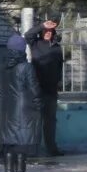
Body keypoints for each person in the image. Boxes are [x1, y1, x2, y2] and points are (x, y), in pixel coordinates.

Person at [0, 34, 43, 172]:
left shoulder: (0, 67)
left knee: (9, 142)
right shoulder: (26, 67)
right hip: (24, 109)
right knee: (22, 141)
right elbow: (34, 89)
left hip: (6, 109)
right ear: (22, 50)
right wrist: (39, 103)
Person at [24, 18, 64, 156]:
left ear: (53, 32)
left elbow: (60, 66)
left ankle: (52, 148)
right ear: (41, 32)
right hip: (37, 89)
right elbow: (27, 35)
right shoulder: (35, 44)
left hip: (51, 90)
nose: (47, 33)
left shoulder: (56, 47)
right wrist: (42, 25)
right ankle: (33, 149)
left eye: (50, 31)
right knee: (36, 120)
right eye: (45, 31)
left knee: (50, 121)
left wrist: (58, 81)